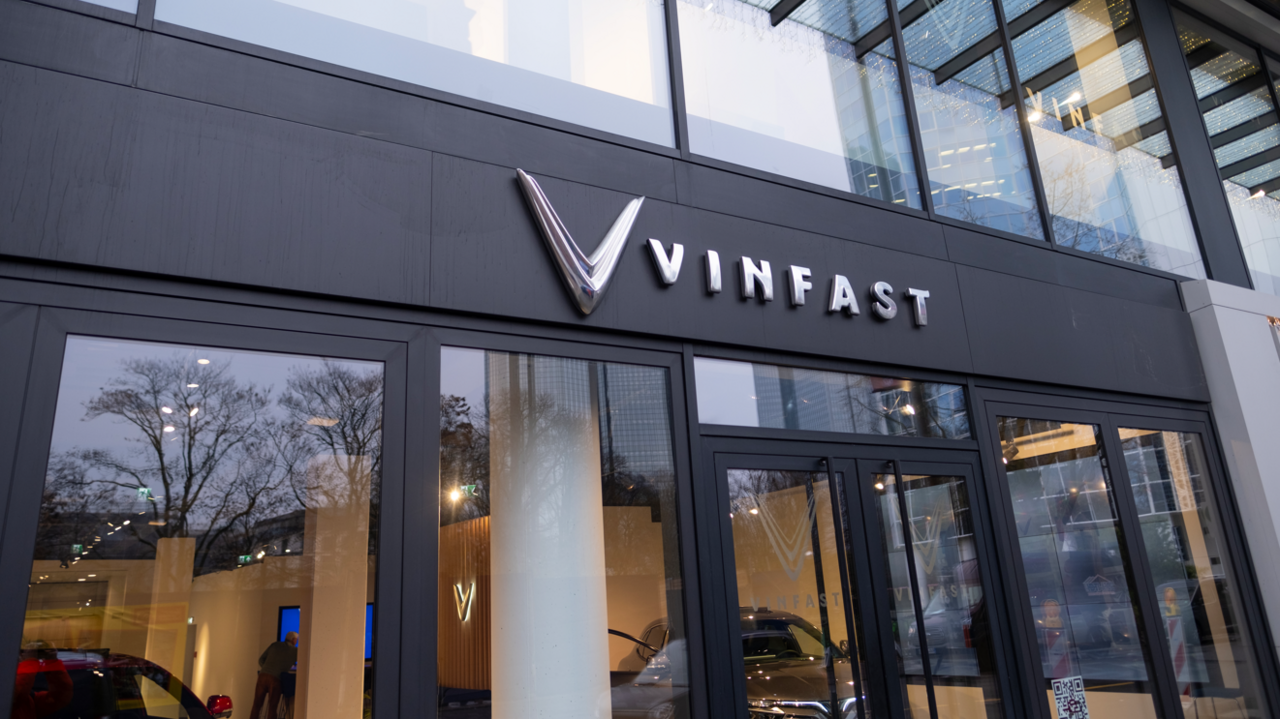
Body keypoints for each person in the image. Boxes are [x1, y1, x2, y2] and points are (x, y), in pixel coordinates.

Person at [250, 632, 298, 719]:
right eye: (296, 640)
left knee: (256, 705)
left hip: (262, 676)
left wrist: (267, 668)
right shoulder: (295, 651)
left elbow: (261, 659)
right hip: (276, 679)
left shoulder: (274, 645)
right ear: (293, 640)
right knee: (272, 707)